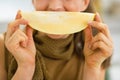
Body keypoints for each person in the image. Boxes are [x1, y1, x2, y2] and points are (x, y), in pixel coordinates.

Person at [0, 0, 114, 80]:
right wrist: (25, 67)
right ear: (33, 1)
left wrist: (92, 67)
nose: (54, 6)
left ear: (84, 2)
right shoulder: (3, 44)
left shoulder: (97, 47)